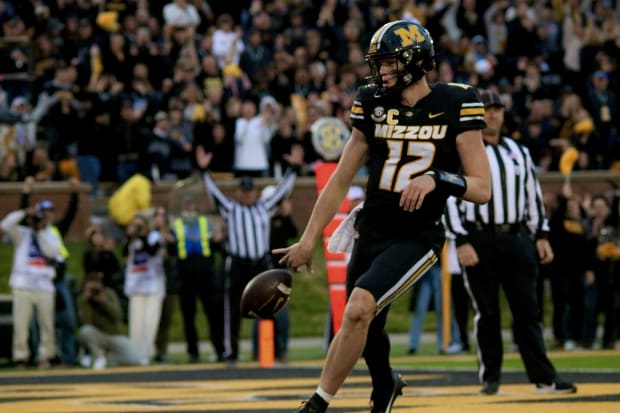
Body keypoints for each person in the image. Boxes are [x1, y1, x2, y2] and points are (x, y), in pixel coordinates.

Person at [273, 20, 491, 413]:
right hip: (370, 229)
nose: (381, 71)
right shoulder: (373, 102)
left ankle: (317, 405)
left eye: (389, 62)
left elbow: (481, 187)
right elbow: (340, 180)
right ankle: (384, 385)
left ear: (414, 62)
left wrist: (437, 178)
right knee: (364, 322)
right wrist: (307, 241)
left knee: (359, 308)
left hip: (417, 235)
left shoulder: (456, 102)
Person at [444, 89, 577, 395]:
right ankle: (490, 379)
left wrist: (541, 234)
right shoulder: (462, 149)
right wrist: (460, 239)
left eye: (497, 109)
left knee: (528, 311)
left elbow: (532, 196)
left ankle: (544, 378)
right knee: (487, 312)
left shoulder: (519, 151)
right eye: (486, 109)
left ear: (504, 114)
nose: (492, 114)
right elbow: (449, 195)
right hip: (478, 236)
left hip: (516, 236)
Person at [195, 144, 303, 363]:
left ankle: (269, 351)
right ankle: (230, 352)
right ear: (238, 192)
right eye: (243, 191)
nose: (246, 195)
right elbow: (214, 194)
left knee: (268, 306)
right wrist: (204, 172)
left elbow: (282, 191)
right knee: (232, 309)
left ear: (254, 191)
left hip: (259, 265)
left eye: (249, 191)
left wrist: (293, 169)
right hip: (237, 263)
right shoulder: (231, 208)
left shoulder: (264, 207)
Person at [20, 176, 81, 366]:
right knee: (40, 322)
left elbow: (71, 214)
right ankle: (43, 357)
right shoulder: (31, 231)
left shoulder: (56, 230)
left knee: (68, 320)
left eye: (50, 211)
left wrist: (74, 193)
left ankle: (68, 357)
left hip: (58, 280)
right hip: (40, 280)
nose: (47, 215)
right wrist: (26, 193)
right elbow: (22, 213)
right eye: (43, 212)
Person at [1, 203, 62, 369]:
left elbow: (52, 252)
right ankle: (20, 357)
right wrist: (24, 213)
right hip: (23, 285)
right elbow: (5, 224)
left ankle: (46, 356)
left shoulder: (51, 234)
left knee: (46, 324)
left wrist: (40, 232)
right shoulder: (22, 233)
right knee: (21, 323)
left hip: (44, 285)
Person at [171, 194, 226, 363]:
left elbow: (216, 246)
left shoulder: (205, 224)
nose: (189, 211)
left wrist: (219, 238)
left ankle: (219, 350)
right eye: (186, 208)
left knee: (214, 314)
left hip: (206, 276)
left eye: (192, 207)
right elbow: (172, 249)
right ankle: (193, 352)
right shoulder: (177, 225)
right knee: (189, 316)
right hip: (185, 276)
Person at [250, 185, 299, 363]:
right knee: (261, 312)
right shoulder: (260, 220)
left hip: (280, 273)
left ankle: (282, 350)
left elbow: (293, 233)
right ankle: (259, 350)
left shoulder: (280, 221)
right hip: (263, 272)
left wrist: (286, 215)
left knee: (282, 312)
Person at [122, 213, 166, 365]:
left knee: (149, 321)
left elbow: (151, 251)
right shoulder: (131, 240)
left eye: (140, 225)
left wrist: (141, 235)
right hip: (136, 285)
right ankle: (134, 353)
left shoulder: (154, 237)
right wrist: (129, 237)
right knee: (136, 322)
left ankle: (146, 352)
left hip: (153, 284)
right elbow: (123, 253)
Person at [76, 272, 142, 369]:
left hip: (114, 334)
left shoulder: (109, 294)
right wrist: (85, 302)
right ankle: (99, 357)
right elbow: (86, 322)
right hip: (97, 334)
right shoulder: (82, 299)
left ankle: (108, 359)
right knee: (85, 331)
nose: (94, 291)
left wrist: (104, 302)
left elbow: (118, 316)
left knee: (134, 360)